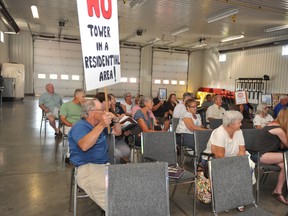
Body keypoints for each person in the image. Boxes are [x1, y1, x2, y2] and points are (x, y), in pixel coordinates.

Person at [68, 99, 122, 211]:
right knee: (116, 199)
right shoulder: (80, 126)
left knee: (126, 185)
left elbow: (118, 132)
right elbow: (84, 145)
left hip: (103, 166)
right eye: (101, 110)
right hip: (88, 168)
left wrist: (116, 120)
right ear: (91, 112)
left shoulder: (96, 125)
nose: (104, 112)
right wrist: (101, 125)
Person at [202, 110, 246, 212]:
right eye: (239, 122)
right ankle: (227, 199)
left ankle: (238, 198)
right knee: (232, 171)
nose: (241, 124)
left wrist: (238, 162)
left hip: (233, 159)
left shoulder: (239, 131)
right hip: (213, 160)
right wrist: (235, 164)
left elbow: (242, 150)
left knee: (245, 167)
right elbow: (219, 156)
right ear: (230, 123)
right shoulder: (219, 133)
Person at [250, 108, 288, 205]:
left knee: (285, 166)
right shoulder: (278, 130)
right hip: (259, 155)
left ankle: (278, 191)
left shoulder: (273, 125)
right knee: (287, 158)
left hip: (263, 153)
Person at [95, 92, 131, 163]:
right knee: (117, 154)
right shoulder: (96, 116)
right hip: (104, 141)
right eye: (108, 101)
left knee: (126, 151)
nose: (110, 102)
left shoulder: (111, 112)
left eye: (111, 100)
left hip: (115, 139)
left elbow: (117, 132)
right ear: (100, 102)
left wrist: (116, 121)